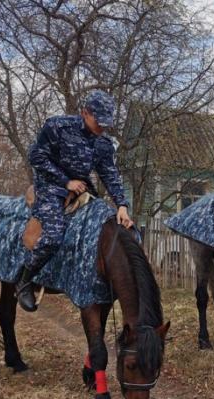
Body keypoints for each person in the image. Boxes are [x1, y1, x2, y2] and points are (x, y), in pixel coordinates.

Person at [16, 90, 133, 312]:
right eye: (98, 122)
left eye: (106, 124)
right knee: (52, 236)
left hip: (82, 191)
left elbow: (109, 175)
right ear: (85, 113)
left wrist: (122, 205)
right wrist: (66, 181)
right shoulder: (58, 127)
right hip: (50, 188)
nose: (102, 128)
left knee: (111, 229)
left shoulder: (104, 144)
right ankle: (25, 280)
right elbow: (36, 156)